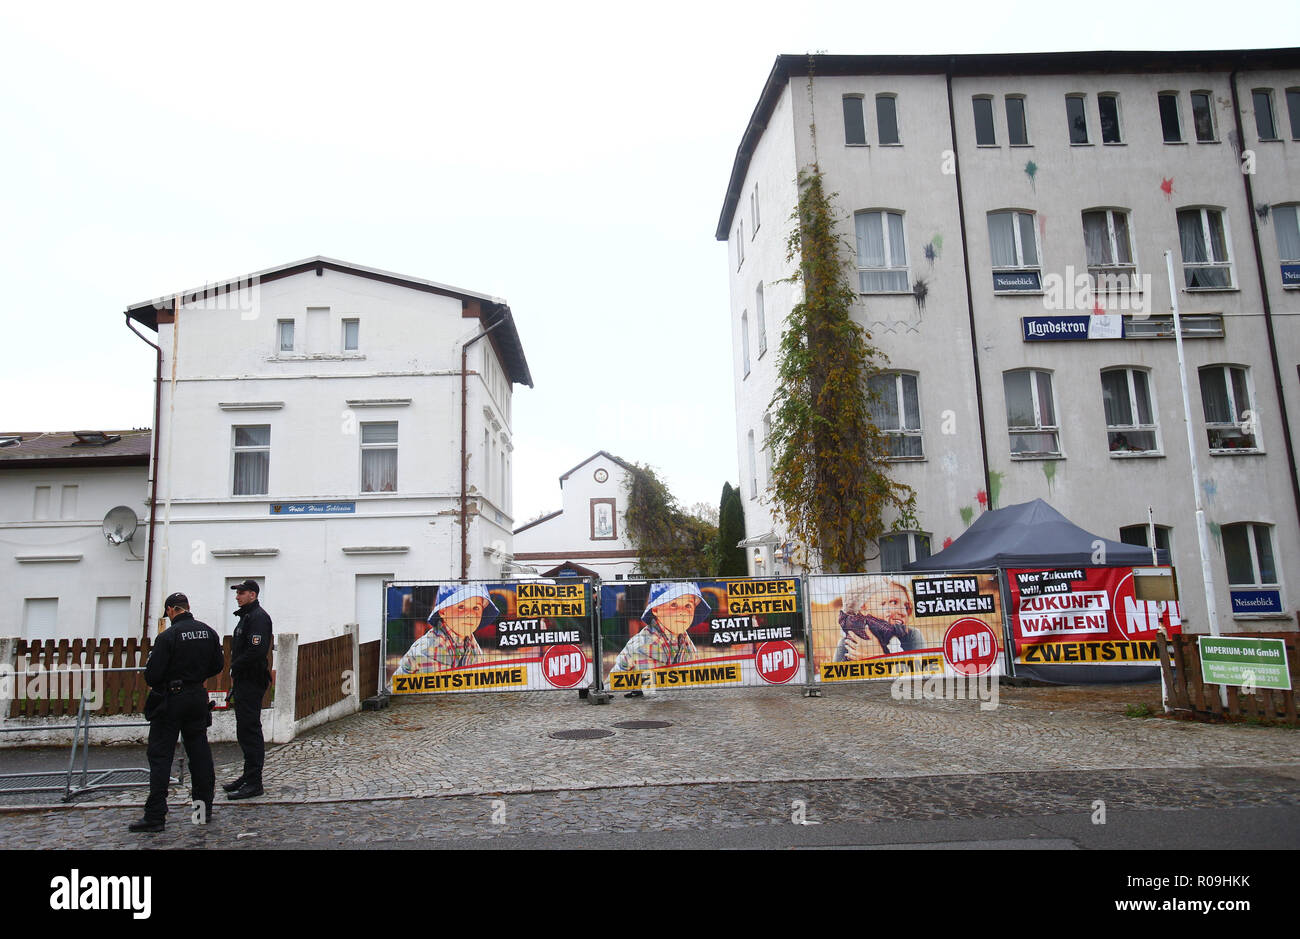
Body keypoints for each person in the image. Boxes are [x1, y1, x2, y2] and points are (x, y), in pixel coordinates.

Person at [128, 592, 224, 833]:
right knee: (200, 755)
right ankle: (202, 811)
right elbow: (217, 665)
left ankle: (155, 816)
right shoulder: (208, 632)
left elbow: (152, 674)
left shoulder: (168, 636)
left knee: (161, 757)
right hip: (197, 697)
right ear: (188, 608)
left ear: (171, 610)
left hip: (171, 699)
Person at [609, 583, 709, 696]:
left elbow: (693, 675)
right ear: (656, 609)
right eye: (673, 604)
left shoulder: (683, 638)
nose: (682, 612)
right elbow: (655, 692)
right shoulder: (647, 644)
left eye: (688, 606)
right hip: (622, 700)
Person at [224, 579, 273, 801]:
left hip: (252, 680)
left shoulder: (258, 618)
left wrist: (235, 666)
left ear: (252, 595)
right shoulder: (246, 617)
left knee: (250, 730)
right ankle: (248, 775)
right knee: (244, 730)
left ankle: (254, 782)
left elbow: (257, 649)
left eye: (241, 593)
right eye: (237, 593)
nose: (237, 596)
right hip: (245, 679)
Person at [392, 584, 499, 681]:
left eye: (476, 608)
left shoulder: (470, 642)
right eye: (461, 607)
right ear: (443, 611)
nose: (470, 614)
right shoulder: (433, 646)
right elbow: (439, 697)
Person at [835, 578, 925, 660]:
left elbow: (921, 672)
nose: (903, 612)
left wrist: (879, 657)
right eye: (893, 602)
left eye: (906, 606)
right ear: (863, 607)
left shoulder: (911, 635)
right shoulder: (849, 640)